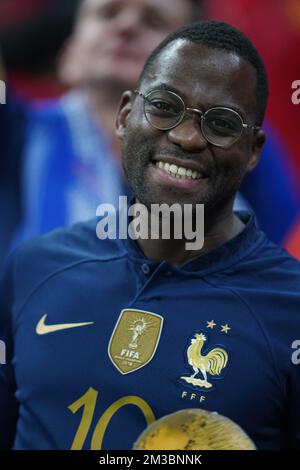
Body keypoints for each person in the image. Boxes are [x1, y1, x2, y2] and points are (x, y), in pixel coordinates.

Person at [0, 20, 299, 450]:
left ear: (253, 152)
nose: (186, 136)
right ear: (125, 115)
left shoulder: (291, 312)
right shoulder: (34, 267)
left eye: (221, 123)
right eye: (163, 106)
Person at [14, 0, 200, 241]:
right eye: (107, 14)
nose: (127, 25)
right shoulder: (16, 133)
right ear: (69, 54)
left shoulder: (229, 150)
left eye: (153, 21)